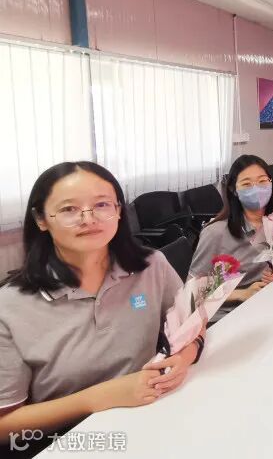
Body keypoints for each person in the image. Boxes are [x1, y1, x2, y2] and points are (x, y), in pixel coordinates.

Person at [0, 162, 202, 447]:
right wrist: (99, 397)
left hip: (156, 421)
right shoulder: (9, 307)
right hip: (72, 443)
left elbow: (193, 323)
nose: (89, 218)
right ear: (41, 219)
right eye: (69, 209)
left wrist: (185, 357)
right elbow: (5, 425)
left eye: (102, 205)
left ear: (118, 211)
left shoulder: (151, 266)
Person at [191, 155, 273, 324]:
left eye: (262, 181)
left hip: (268, 304)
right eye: (246, 184)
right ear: (233, 190)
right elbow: (193, 291)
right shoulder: (216, 233)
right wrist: (242, 293)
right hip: (229, 316)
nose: (256, 188)